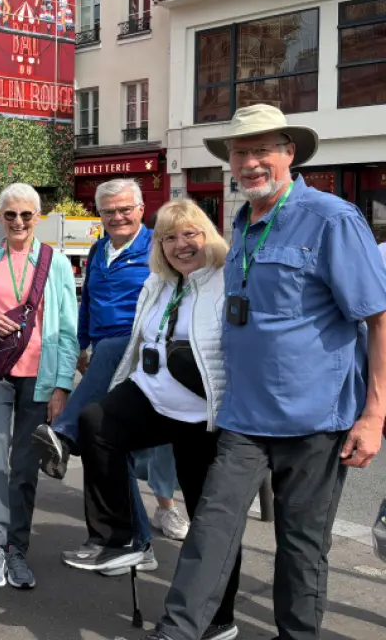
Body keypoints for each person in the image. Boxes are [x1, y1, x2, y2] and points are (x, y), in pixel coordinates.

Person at [141, 105, 386, 640]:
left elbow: (375, 316)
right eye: (240, 152)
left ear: (288, 154)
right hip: (245, 415)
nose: (251, 162)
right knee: (210, 530)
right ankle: (176, 632)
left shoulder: (332, 218)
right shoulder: (241, 221)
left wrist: (374, 412)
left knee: (301, 548)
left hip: (316, 419)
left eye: (263, 150)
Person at [62, 199, 242, 639]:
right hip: (154, 397)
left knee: (208, 519)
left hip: (204, 416)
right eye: (169, 237)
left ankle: (220, 618)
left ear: (207, 235)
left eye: (189, 234)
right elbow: (140, 340)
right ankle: (122, 539)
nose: (180, 244)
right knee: (95, 421)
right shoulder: (157, 283)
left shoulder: (228, 280)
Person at [35, 177, 186, 564]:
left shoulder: (160, 246)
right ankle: (135, 544)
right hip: (105, 355)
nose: (117, 216)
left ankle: (61, 435)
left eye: (125, 209)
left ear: (140, 210)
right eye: (109, 211)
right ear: (99, 215)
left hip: (142, 349)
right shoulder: (100, 249)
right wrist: (84, 345)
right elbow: (88, 304)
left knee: (97, 429)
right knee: (106, 444)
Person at [0, 183, 78, 589]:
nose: (18, 222)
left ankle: (17, 549)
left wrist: (62, 385)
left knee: (25, 467)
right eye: (10, 214)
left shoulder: (56, 263)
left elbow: (66, 329)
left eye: (26, 215)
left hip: (39, 376)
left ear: (37, 218)